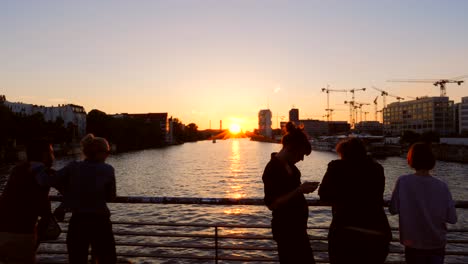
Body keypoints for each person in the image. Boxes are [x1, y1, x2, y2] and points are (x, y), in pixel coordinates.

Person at [318, 137, 391, 264]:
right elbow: (378, 193)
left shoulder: (336, 167)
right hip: (375, 230)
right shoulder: (377, 168)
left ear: (343, 152)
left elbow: (323, 194)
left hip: (344, 231)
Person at [51, 134, 117, 264]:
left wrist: (67, 192)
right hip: (100, 221)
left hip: (78, 221)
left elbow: (53, 179)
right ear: (98, 153)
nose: (108, 155)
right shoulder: (108, 169)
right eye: (107, 152)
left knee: (77, 259)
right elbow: (111, 196)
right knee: (107, 258)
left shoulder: (73, 166)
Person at [390, 142, 457, 264]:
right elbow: (452, 218)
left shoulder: (403, 182)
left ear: (411, 159)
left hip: (413, 242)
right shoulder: (442, 186)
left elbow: (393, 209)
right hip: (436, 243)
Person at [262, 122, 319, 264]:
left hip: (298, 230)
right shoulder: (272, 169)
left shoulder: (293, 169)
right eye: (301, 153)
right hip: (286, 231)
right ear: (291, 148)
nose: (302, 158)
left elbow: (291, 193)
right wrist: (299, 190)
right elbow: (273, 204)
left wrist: (302, 190)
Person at [0, 139, 55, 263]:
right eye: (51, 152)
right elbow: (45, 212)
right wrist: (35, 243)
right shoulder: (42, 172)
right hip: (20, 233)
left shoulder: (17, 169)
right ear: (45, 154)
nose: (53, 156)